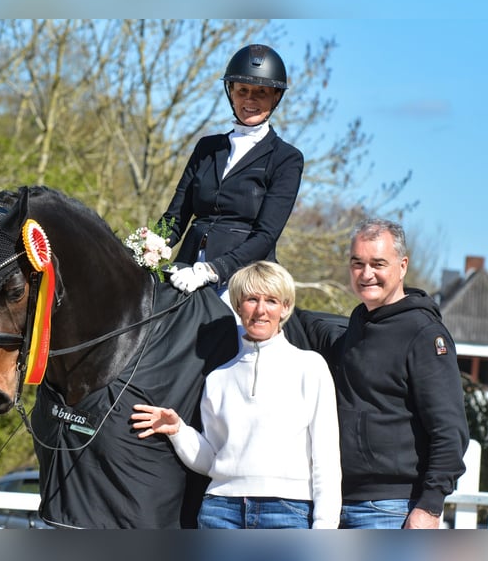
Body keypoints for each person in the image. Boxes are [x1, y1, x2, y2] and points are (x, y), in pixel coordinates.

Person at [131, 261, 341, 529]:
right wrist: (178, 432)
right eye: (251, 299)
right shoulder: (218, 377)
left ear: (285, 308)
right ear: (238, 306)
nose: (261, 310)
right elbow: (212, 461)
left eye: (272, 301)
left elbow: (326, 460)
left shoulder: (310, 367)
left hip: (288, 511)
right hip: (220, 511)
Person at [298, 218, 469, 529]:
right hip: (338, 503)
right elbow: (313, 326)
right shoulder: (357, 326)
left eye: (378, 263)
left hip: (392, 510)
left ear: (402, 266)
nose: (366, 274)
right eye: (357, 263)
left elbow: (450, 430)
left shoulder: (424, 335)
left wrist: (429, 507)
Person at [161, 44, 304, 295]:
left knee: (234, 331)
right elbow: (175, 218)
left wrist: (212, 269)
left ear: (276, 97)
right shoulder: (207, 147)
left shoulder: (286, 159)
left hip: (242, 278)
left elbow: (266, 235)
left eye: (261, 92)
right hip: (185, 268)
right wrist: (145, 248)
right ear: (231, 93)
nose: (250, 99)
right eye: (243, 91)